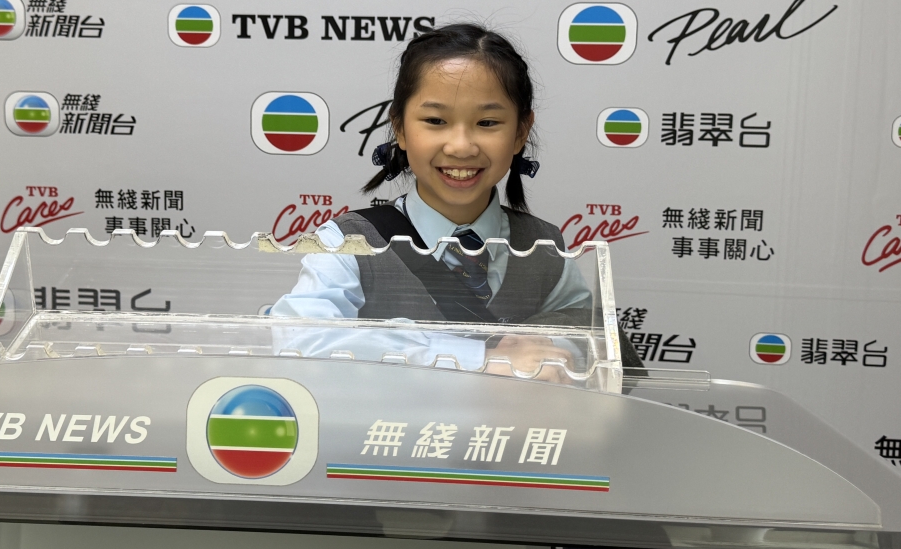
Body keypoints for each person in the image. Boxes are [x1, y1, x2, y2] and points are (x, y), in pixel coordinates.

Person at [272, 23, 643, 376]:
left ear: (520, 132)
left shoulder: (544, 247)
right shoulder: (348, 242)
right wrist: (479, 358)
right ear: (399, 127)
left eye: (487, 123)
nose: (461, 147)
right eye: (436, 121)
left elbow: (585, 333)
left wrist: (555, 349)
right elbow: (299, 340)